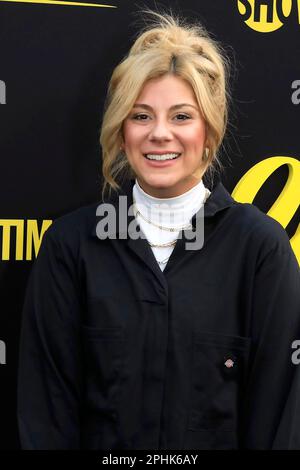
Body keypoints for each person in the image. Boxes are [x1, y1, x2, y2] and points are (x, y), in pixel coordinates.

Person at [17, 9, 300, 450]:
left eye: (182, 116)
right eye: (142, 116)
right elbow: (46, 416)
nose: (160, 134)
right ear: (121, 130)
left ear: (209, 131)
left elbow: (279, 420)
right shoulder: (71, 247)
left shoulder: (260, 249)